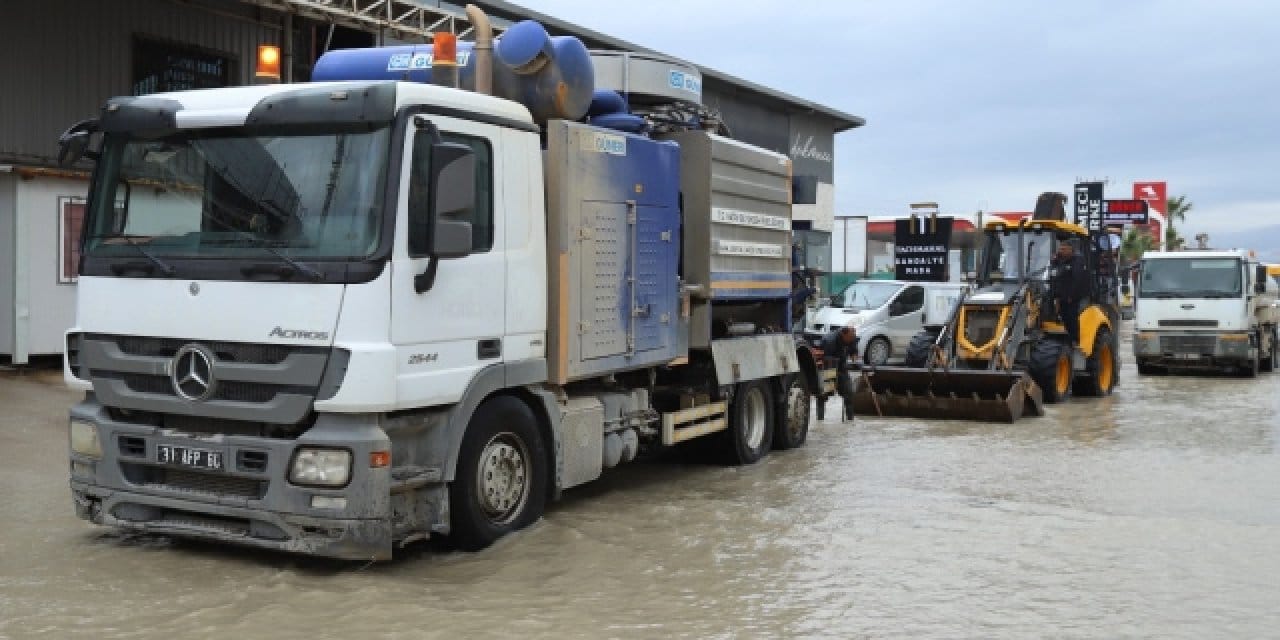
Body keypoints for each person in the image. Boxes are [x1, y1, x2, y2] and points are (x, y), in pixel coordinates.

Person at [1051, 240, 1089, 345]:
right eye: (1060, 249)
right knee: (1062, 317)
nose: (1061, 251)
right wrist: (1054, 260)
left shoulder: (1077, 261)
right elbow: (1054, 274)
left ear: (1070, 249)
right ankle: (1065, 339)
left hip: (1073, 297)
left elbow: (1078, 280)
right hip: (1061, 296)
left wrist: (1071, 296)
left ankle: (1075, 340)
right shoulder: (1060, 260)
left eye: (1063, 249)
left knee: (1071, 318)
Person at [818, 326, 858, 422]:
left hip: (842, 368)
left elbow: (853, 350)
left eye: (853, 338)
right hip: (829, 368)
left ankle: (850, 420)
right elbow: (825, 360)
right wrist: (832, 379)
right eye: (850, 338)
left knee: (849, 393)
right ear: (843, 334)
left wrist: (854, 356)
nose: (851, 340)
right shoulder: (829, 341)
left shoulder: (851, 338)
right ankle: (820, 419)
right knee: (823, 395)